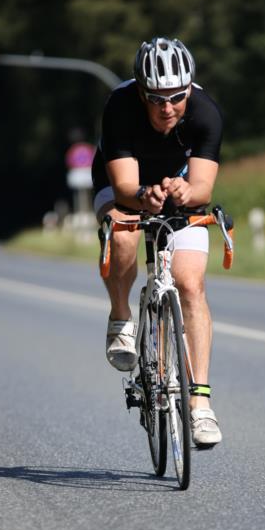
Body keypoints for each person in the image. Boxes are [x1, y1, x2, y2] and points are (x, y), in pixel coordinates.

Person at [92, 37, 223, 447]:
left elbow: (203, 186)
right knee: (123, 233)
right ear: (140, 91)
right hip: (124, 186)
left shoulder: (205, 112)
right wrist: (142, 195)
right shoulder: (120, 106)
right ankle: (120, 316)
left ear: (189, 90)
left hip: (177, 188)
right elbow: (123, 187)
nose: (168, 108)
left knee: (191, 284)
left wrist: (187, 192)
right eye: (156, 98)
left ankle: (200, 405)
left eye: (177, 97)